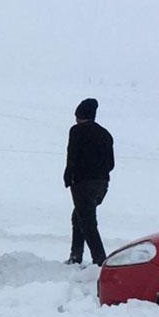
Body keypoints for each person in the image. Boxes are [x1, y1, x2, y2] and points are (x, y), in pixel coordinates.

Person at [63, 98, 114, 265]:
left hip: (82, 183)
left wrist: (69, 176)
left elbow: (72, 156)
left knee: (87, 222)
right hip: (102, 184)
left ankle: (100, 261)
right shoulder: (105, 134)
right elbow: (111, 163)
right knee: (79, 216)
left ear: (80, 115)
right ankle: (76, 256)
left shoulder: (76, 131)